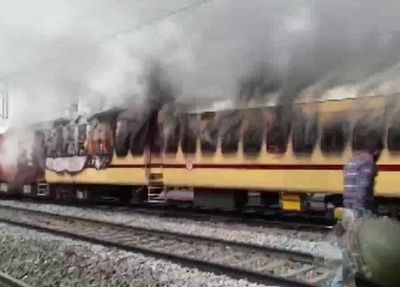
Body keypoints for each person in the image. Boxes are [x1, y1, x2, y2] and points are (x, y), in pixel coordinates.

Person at [331, 136, 383, 287]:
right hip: (358, 212)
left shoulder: (351, 162)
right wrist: (362, 216)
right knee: (356, 256)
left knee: (352, 255)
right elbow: (363, 189)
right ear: (376, 150)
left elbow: (349, 191)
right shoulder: (369, 163)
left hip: (347, 210)